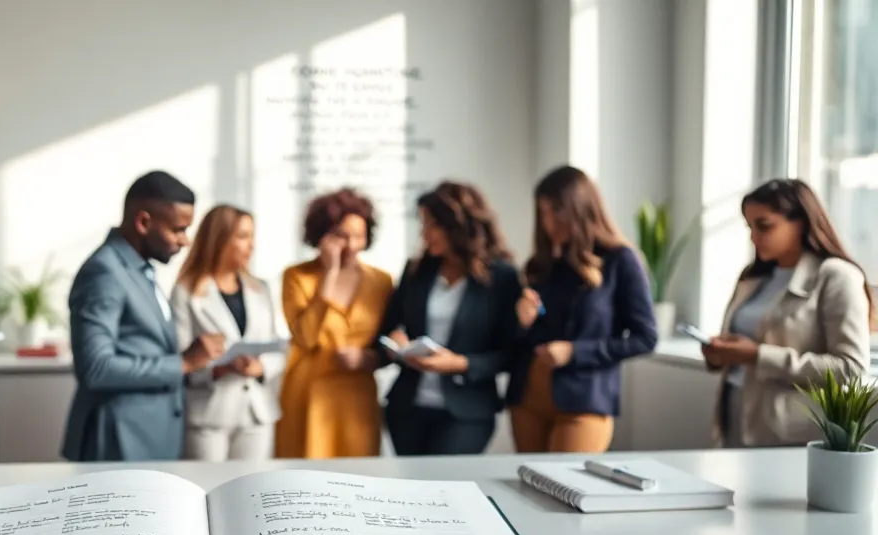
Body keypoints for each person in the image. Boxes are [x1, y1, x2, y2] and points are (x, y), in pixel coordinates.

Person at [60, 171, 226, 462]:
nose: (185, 241)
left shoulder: (138, 268)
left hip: (149, 439)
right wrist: (184, 363)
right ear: (144, 222)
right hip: (118, 442)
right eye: (178, 230)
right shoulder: (104, 272)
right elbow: (96, 368)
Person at [702, 178, 872, 447]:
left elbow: (851, 369)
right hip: (734, 414)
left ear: (801, 222)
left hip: (787, 431)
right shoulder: (752, 277)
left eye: (764, 226)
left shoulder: (836, 277)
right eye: (749, 227)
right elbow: (739, 345)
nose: (753, 237)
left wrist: (758, 356)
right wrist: (719, 354)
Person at [506, 165, 658, 453]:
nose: (548, 223)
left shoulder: (621, 261)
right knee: (524, 490)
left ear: (578, 210)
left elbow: (645, 338)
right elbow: (518, 341)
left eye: (554, 212)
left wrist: (574, 352)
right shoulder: (540, 266)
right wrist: (522, 320)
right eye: (543, 213)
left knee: (566, 492)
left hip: (585, 399)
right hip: (528, 396)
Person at [375, 181, 522, 456]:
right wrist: (396, 340)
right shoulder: (417, 271)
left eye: (432, 225)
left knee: (445, 490)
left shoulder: (502, 277)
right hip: (407, 409)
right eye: (423, 225)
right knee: (408, 493)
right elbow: (390, 325)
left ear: (458, 225)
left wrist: (460, 364)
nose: (425, 234)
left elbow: (512, 352)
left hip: (467, 411)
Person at [274, 187, 394, 458]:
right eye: (341, 236)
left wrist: (368, 359)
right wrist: (329, 274)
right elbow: (304, 337)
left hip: (358, 394)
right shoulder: (296, 277)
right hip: (309, 395)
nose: (351, 246)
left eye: (359, 237)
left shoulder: (382, 281)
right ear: (321, 235)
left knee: (360, 476)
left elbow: (389, 339)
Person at [170, 204, 285, 461]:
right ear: (219, 240)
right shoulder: (186, 291)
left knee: (254, 492)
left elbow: (276, 349)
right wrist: (221, 368)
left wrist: (260, 367)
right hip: (210, 414)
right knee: (208, 489)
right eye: (243, 237)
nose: (251, 245)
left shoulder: (261, 289)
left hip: (257, 412)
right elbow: (180, 361)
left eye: (252, 237)